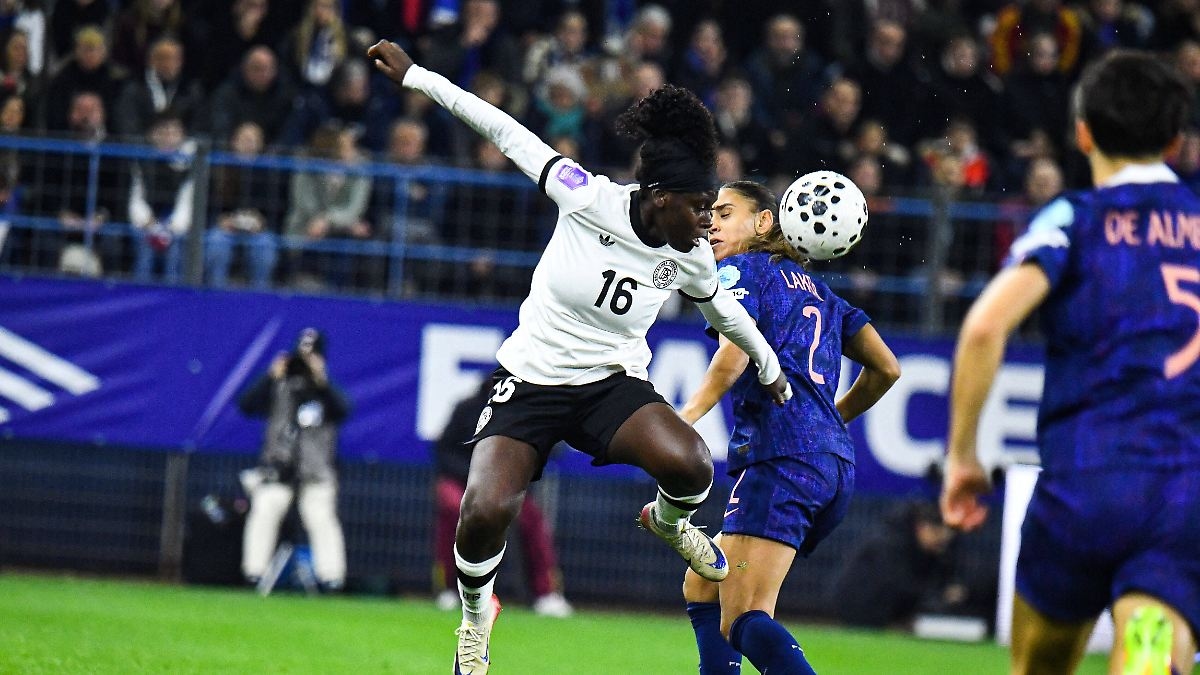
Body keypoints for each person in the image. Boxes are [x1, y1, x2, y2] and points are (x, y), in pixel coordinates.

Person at [367, 39, 792, 675]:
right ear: (657, 197)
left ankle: (674, 526)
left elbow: (723, 312)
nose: (709, 222)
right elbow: (504, 129)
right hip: (532, 376)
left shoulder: (692, 253)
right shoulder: (586, 195)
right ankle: (477, 615)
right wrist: (418, 76)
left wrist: (767, 361)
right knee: (483, 513)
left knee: (692, 464)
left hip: (610, 383)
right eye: (700, 207)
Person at [941, 51, 1200, 674]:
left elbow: (983, 327)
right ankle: (1144, 654)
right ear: (1174, 140)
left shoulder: (1073, 221)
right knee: (1156, 629)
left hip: (1084, 482)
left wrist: (962, 458)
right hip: (1182, 490)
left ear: (1081, 132)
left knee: (1038, 666)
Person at [676, 180, 900, 675]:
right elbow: (888, 368)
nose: (710, 221)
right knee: (703, 586)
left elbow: (733, 352)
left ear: (763, 223)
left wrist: (684, 419)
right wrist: (830, 422)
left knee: (743, 616)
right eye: (709, 211)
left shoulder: (745, 268)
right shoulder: (824, 293)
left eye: (725, 211)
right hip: (830, 464)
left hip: (781, 461)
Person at [432, 378, 573, 618]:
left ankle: (546, 594)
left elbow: (552, 447)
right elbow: (443, 451)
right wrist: (475, 479)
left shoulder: (525, 413)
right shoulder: (466, 408)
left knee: (532, 519)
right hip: (461, 483)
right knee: (454, 510)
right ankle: (448, 589)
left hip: (506, 487)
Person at [239, 327, 349, 592]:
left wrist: (321, 379)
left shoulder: (325, 391)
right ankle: (253, 573)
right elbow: (246, 405)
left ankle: (331, 579)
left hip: (316, 472)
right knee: (264, 508)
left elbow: (345, 409)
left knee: (321, 516)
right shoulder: (279, 386)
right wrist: (270, 377)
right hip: (278, 470)